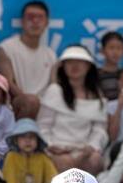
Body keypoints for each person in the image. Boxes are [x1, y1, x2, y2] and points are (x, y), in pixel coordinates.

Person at [38, 45, 109, 173]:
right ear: (63, 67)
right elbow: (43, 126)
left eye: (80, 62)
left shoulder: (98, 98)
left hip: (84, 150)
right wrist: (51, 146)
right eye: (70, 62)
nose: (75, 66)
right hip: (57, 149)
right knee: (65, 163)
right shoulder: (54, 91)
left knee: (96, 160)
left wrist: (91, 147)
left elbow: (99, 130)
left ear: (88, 66)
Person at [0, 0, 56, 118]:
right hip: (17, 102)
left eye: (40, 18)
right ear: (22, 21)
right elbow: (8, 83)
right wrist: (30, 101)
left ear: (47, 23)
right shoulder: (6, 48)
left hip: (44, 105)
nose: (35, 21)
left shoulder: (51, 54)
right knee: (31, 102)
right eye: (30, 17)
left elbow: (53, 86)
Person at [2, 119, 58, 183]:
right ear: (16, 140)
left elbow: (53, 182)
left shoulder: (43, 157)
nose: (27, 141)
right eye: (23, 137)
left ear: (37, 140)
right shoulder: (11, 157)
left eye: (32, 137)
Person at [98, 31, 123, 102]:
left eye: (119, 48)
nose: (115, 52)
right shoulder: (96, 74)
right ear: (102, 51)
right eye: (111, 48)